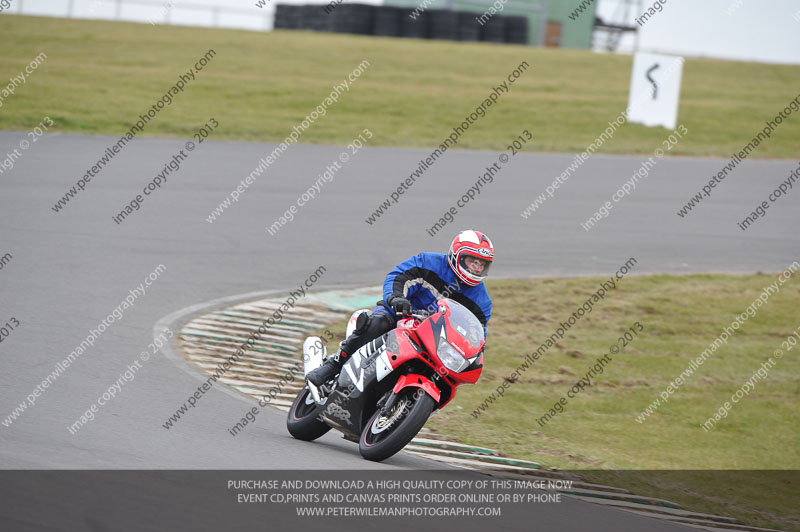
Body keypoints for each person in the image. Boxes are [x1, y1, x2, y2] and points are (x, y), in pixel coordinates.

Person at [306, 229, 494, 387]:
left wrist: (473, 357)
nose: (476, 268)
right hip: (400, 314)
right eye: (472, 261)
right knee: (378, 323)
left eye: (481, 265)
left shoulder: (482, 301)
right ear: (457, 255)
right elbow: (397, 277)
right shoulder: (428, 262)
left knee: (445, 378)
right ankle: (334, 365)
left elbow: (477, 336)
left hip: (435, 338)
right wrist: (397, 298)